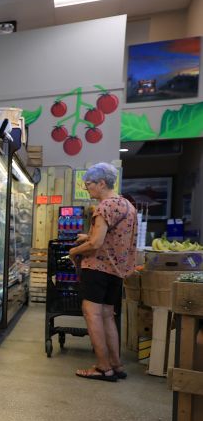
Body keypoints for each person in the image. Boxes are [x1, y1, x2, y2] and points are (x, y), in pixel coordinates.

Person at [68, 163, 137, 382]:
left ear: (101, 183)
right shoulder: (127, 206)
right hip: (116, 270)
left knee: (92, 314)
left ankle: (102, 367)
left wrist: (75, 250)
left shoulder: (104, 207)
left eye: (89, 184)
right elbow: (114, 238)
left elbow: (97, 244)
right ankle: (115, 364)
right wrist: (86, 237)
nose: (87, 188)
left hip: (97, 269)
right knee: (108, 315)